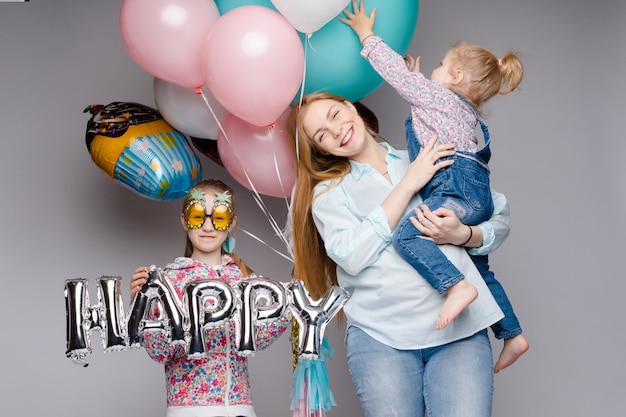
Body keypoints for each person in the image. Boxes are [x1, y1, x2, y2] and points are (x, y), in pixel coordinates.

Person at [287, 90, 516, 417]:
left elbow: (496, 212)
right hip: (381, 338)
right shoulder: (329, 193)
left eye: (334, 115)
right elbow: (350, 255)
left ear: (350, 107)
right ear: (320, 149)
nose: (336, 130)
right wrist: (407, 184)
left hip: (459, 332)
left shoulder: (424, 156)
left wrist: (464, 234)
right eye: (321, 134)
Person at [339, 0, 528, 368]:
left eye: (441, 66)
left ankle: (456, 287)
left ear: (456, 76)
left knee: (406, 236)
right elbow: (421, 95)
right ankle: (513, 334)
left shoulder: (438, 96)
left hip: (452, 187)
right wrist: (419, 77)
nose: (434, 72)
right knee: (480, 268)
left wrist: (366, 34)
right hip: (477, 195)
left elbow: (397, 75)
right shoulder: (464, 113)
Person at [129, 179, 291, 417]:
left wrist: (290, 306)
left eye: (219, 217)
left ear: (231, 223)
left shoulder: (242, 279)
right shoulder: (168, 280)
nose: (208, 226)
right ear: (185, 221)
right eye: (198, 216)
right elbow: (160, 352)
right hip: (189, 408)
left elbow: (256, 340)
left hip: (240, 407)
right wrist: (143, 307)